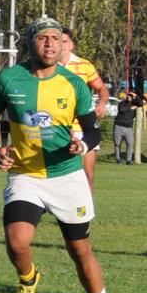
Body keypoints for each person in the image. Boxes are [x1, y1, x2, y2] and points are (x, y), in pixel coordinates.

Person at [0, 17, 114, 293]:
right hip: (26, 174)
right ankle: (28, 278)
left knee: (79, 250)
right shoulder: (8, 79)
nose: (50, 43)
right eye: (43, 38)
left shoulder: (73, 83)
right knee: (16, 241)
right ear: (31, 43)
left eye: (56, 38)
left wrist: (80, 144)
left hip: (67, 177)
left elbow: (94, 132)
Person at [58, 28, 110, 190]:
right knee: (61, 174)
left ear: (71, 44)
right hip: (60, 126)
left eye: (65, 41)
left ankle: (86, 211)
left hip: (84, 126)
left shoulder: (84, 65)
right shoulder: (47, 67)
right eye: (59, 41)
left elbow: (102, 88)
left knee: (87, 173)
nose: (62, 45)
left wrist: (101, 103)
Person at [112, 91, 140, 165]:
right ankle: (118, 159)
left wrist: (136, 95)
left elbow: (140, 103)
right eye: (128, 96)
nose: (129, 97)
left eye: (131, 96)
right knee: (117, 144)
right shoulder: (122, 103)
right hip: (118, 126)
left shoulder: (135, 104)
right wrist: (131, 108)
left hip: (128, 128)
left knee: (130, 144)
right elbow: (121, 109)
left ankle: (129, 160)